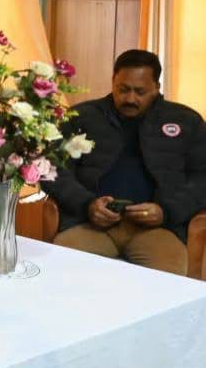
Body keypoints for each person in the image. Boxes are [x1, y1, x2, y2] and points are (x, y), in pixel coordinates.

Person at [43, 49, 205, 275]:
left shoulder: (187, 121)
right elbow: (50, 169)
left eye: (140, 92)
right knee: (63, 271)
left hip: (158, 229)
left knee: (167, 282)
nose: (130, 99)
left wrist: (166, 211)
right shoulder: (81, 117)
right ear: (113, 81)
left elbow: (202, 178)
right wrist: (87, 205)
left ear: (156, 87)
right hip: (89, 224)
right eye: (123, 89)